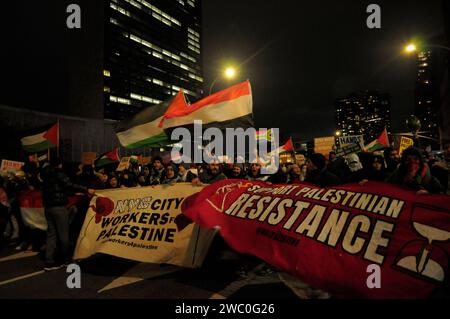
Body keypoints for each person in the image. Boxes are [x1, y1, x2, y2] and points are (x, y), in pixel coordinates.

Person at [41, 158, 95, 270]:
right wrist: (86, 190)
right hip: (59, 207)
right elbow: (69, 184)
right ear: (59, 165)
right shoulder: (59, 173)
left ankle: (49, 261)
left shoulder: (45, 175)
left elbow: (59, 188)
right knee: (64, 234)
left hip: (48, 207)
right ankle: (66, 260)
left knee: (51, 234)